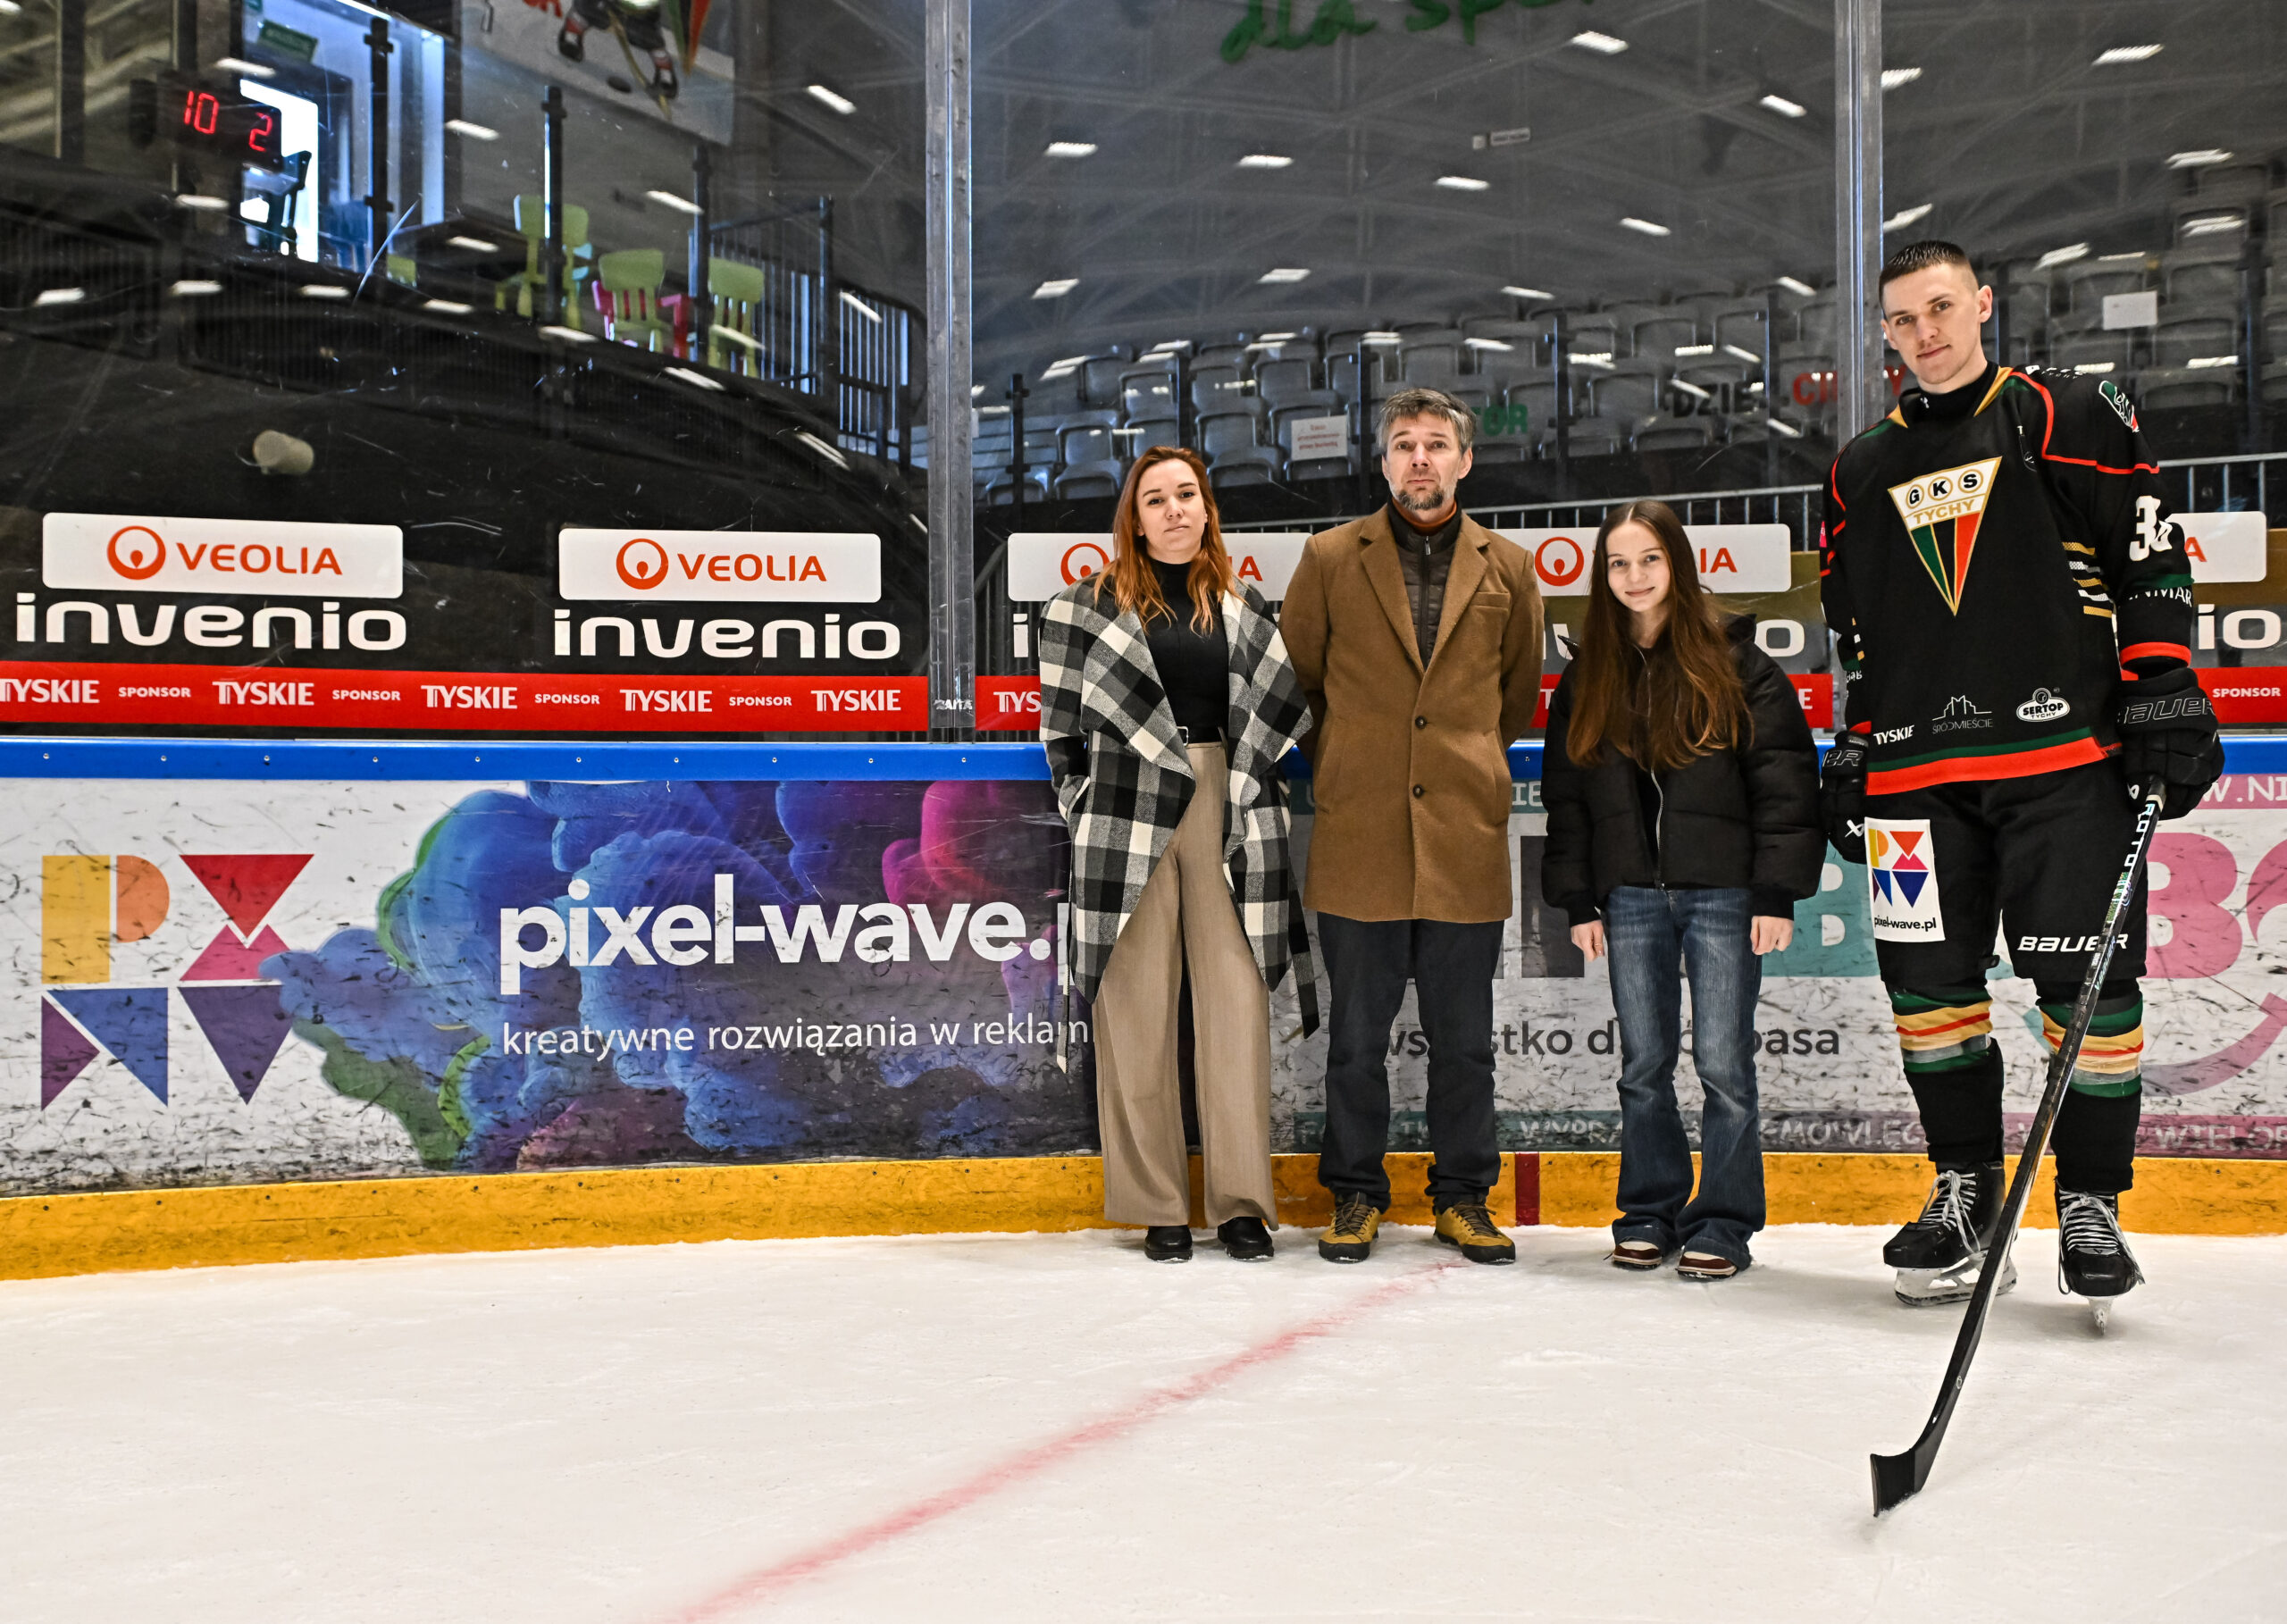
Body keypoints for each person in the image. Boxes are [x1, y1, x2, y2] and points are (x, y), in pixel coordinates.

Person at [1819, 239, 2224, 1308]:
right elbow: (1857, 635)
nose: (1924, 334)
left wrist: (2163, 684)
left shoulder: (2067, 413)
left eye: (1940, 307)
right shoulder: (1858, 468)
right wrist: (1859, 737)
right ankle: (1963, 1188)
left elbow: (2148, 556)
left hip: (2062, 769)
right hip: (1914, 784)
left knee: (2086, 998)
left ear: (1983, 304)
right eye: (1902, 320)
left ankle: (2088, 1201)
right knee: (1926, 999)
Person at [1280, 386, 1545, 1265]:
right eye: (1403, 444)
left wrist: (1457, 768)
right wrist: (1361, 763)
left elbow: (1510, 698)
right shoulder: (1326, 559)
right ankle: (1354, 1195)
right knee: (1356, 1038)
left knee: (1464, 1043)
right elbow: (1304, 685)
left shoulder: (1507, 567)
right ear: (1382, 461)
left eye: (1436, 444)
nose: (1419, 459)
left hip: (1463, 839)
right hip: (1361, 836)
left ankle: (1463, 1197)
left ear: (1465, 460)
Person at [1037, 446, 1318, 1263]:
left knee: (1236, 1003)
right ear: (1134, 516)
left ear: (1206, 507)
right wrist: (1085, 806)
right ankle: (1156, 1202)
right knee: (1134, 1008)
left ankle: (1238, 1204)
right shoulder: (1079, 609)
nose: (1173, 510)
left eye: (1186, 494)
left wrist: (1242, 784)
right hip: (1125, 809)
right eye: (1155, 498)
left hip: (1227, 802)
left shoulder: (1246, 605)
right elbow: (1059, 732)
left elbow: (1277, 719)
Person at [1540, 501, 1822, 1280]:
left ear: (1678, 564)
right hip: (1629, 898)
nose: (1635, 577)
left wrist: (1775, 893)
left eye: (1650, 560)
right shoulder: (1588, 669)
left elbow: (1784, 780)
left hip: (1724, 894)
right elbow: (1567, 795)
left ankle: (1725, 1221)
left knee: (1725, 1064)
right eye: (1619, 563)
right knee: (1644, 1063)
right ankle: (1649, 1210)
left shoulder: (1736, 662)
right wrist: (1577, 900)